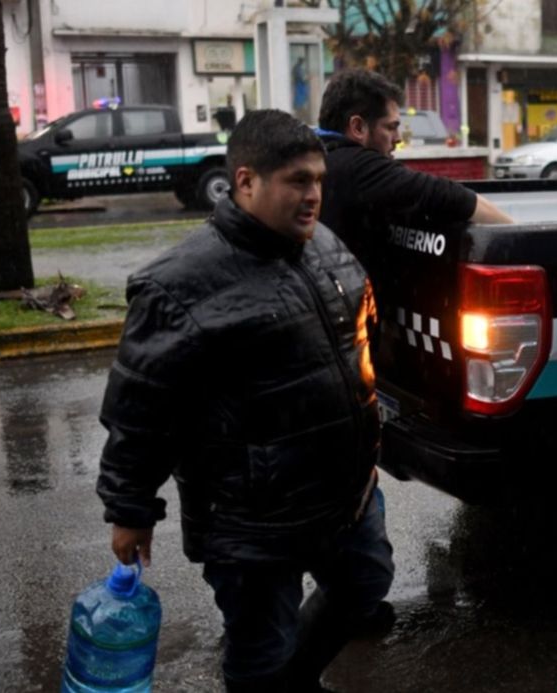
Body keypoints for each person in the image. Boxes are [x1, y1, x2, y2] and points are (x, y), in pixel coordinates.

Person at [96, 109, 393, 692]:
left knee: (364, 585)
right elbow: (140, 406)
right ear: (246, 182)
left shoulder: (325, 245)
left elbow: (359, 340)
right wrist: (129, 508)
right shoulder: (178, 284)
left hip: (347, 496)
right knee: (260, 652)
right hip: (252, 523)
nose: (313, 196)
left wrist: (368, 432)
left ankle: (297, 682)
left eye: (318, 180)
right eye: (297, 182)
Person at [315, 68, 512, 278]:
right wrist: (516, 233)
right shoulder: (358, 167)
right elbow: (447, 195)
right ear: (357, 127)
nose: (398, 138)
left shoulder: (317, 156)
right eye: (390, 127)